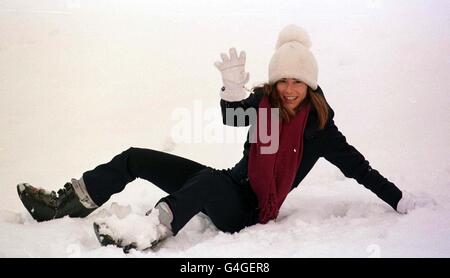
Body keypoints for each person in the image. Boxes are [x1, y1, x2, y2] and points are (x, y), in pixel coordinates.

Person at [17, 24, 424, 252]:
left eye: (298, 81)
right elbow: (234, 116)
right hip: (228, 184)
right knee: (135, 157)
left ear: (311, 85)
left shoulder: (319, 130)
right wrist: (231, 92)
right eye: (283, 79)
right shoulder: (264, 105)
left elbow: (358, 168)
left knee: (209, 183)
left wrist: (398, 198)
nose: (289, 89)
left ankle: (148, 232)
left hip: (249, 209)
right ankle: (65, 204)